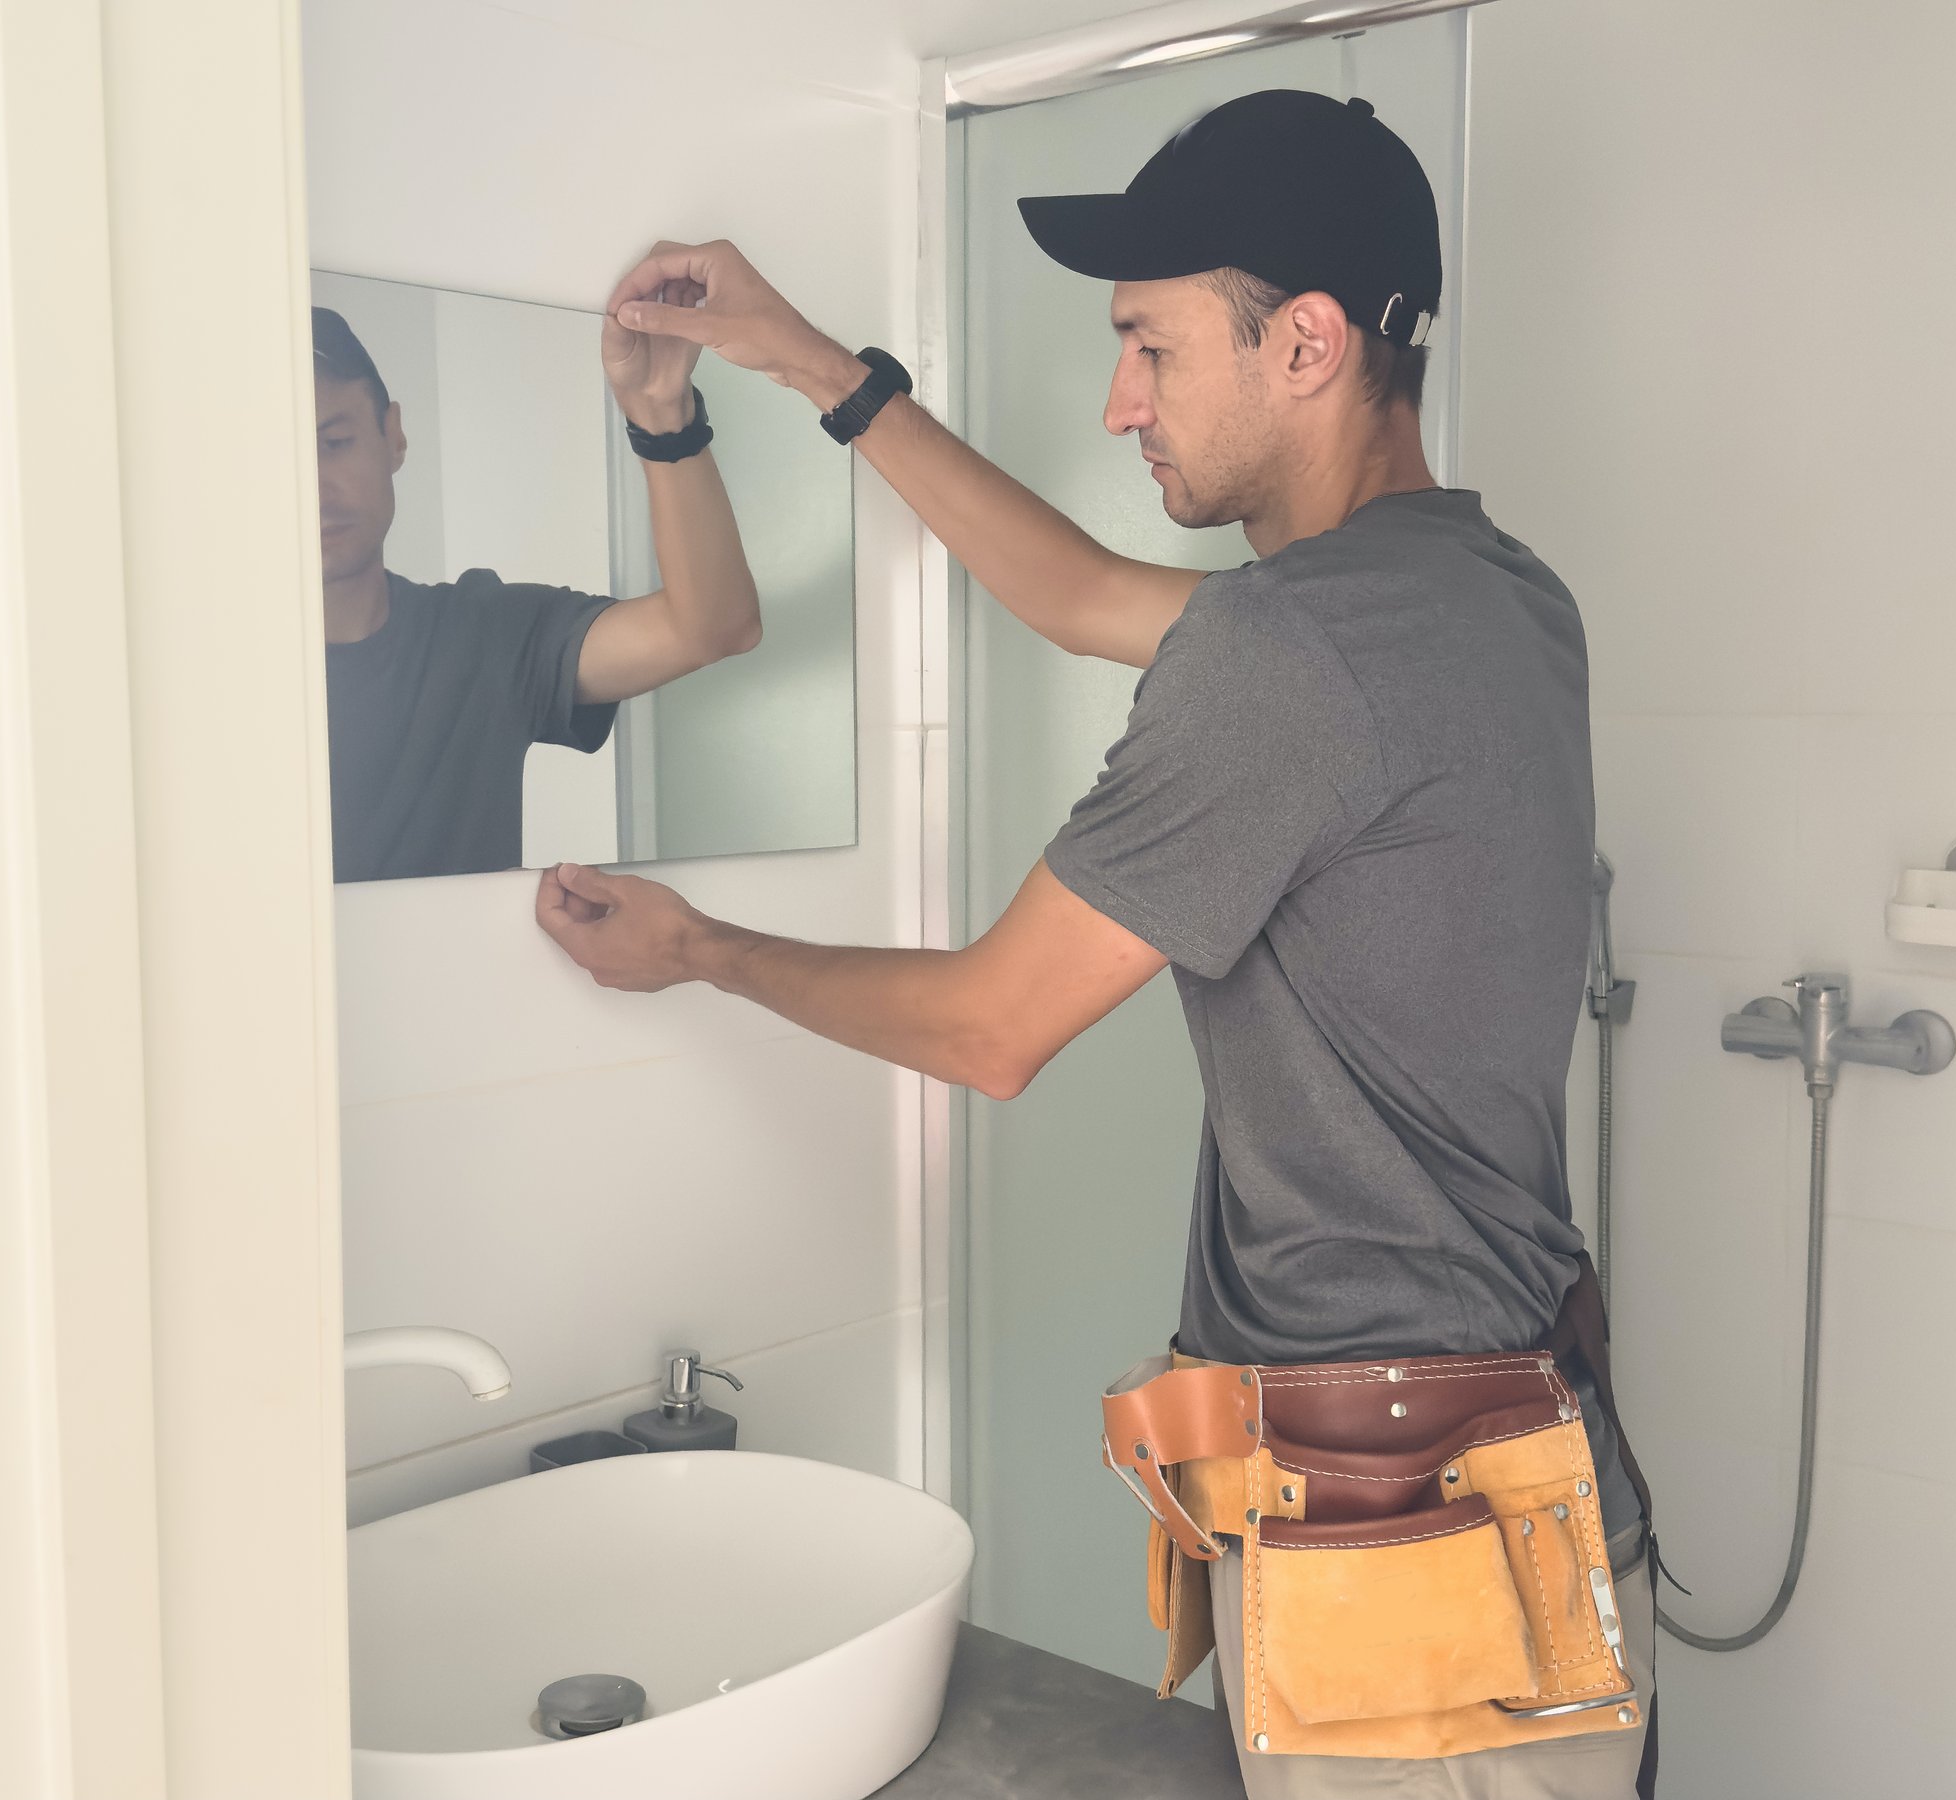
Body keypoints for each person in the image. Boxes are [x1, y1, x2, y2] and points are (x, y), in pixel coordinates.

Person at [534, 90, 1656, 1799]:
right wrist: (809, 361)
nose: (1118, 403)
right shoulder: (1493, 595)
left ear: (1304, 343)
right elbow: (1067, 590)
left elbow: (995, 1026)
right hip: (1534, 1514)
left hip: (1407, 1586)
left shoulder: (1292, 655)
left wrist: (704, 950)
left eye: (1147, 345)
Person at [314, 272, 762, 883]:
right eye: (277, 456)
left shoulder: (482, 634)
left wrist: (661, 413)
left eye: (334, 442)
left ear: (392, 433)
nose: (312, 487)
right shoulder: (189, 681)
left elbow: (714, 625)